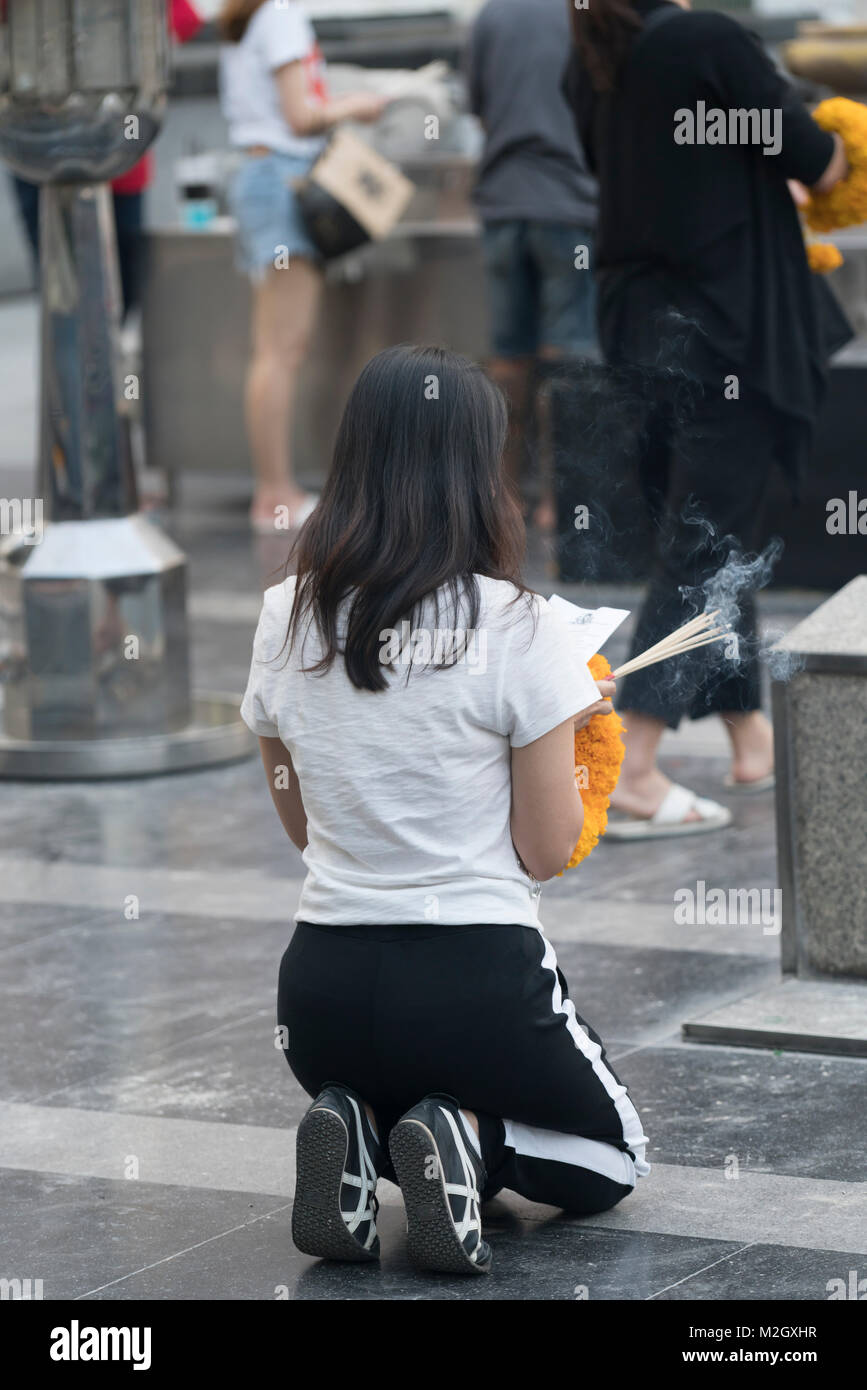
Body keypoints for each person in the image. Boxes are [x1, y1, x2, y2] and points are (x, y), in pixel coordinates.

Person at [240, 345, 649, 1276]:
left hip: (321, 998)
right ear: (479, 469)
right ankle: (470, 1141)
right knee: (614, 1155)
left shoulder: (283, 618)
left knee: (381, 1094)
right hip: (478, 986)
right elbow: (543, 851)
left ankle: (357, 1130)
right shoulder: (526, 627)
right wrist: (576, 736)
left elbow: (303, 824)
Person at [564, 0, 851, 839]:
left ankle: (748, 737)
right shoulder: (706, 41)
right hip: (729, 326)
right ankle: (634, 765)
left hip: (639, 326)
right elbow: (820, 161)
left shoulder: (591, 55)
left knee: (713, 528)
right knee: (706, 541)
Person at [218, 0, 386, 534]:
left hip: (261, 176)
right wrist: (356, 105)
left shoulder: (243, 20)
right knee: (279, 350)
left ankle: (274, 492)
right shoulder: (281, 17)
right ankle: (276, 496)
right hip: (284, 179)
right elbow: (300, 116)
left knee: (273, 348)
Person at [466, 0, 598, 533]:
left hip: (502, 202)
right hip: (569, 203)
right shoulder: (584, 14)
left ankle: (502, 498)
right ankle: (560, 502)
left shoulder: (491, 16)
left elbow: (476, 106)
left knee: (508, 359)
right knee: (567, 356)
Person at [9, 0, 202, 316]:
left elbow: (183, 17)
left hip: (115, 146)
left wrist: (139, 60)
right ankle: (72, 354)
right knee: (56, 276)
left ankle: (110, 346)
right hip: (35, 138)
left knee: (120, 273)